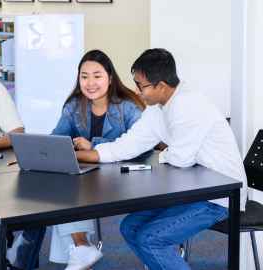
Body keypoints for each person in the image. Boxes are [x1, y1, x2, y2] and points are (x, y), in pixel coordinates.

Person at [77, 48, 248, 270]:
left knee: (151, 239)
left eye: (141, 86)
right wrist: (87, 155)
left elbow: (181, 158)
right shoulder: (158, 107)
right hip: (191, 190)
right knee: (130, 226)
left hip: (219, 198)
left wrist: (166, 154)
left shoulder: (189, 105)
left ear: (161, 86)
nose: (138, 92)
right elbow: (129, 144)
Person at [7, 49, 145, 270]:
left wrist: (95, 145)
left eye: (97, 76)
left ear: (110, 78)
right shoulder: (74, 106)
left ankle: (78, 249)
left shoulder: (128, 107)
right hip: (87, 180)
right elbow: (55, 139)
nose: (90, 83)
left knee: (66, 188)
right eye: (84, 76)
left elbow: (140, 145)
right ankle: (80, 250)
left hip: (121, 179)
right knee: (62, 183)